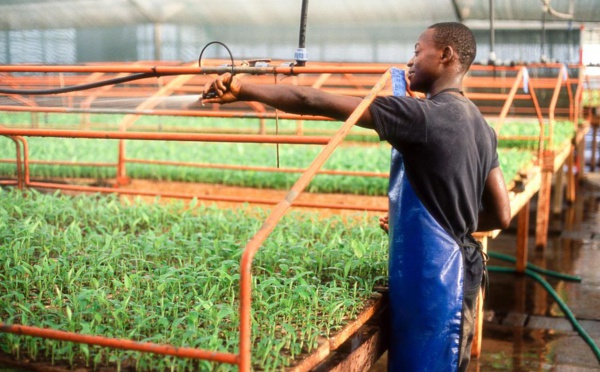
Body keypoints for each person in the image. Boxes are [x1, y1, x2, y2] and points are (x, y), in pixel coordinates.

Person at [202, 22, 511, 372]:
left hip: (435, 285)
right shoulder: (482, 127)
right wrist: (444, 222)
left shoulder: (421, 116)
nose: (410, 60)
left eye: (417, 50)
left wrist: (244, 89)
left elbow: (312, 99)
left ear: (445, 55)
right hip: (461, 274)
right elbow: (501, 215)